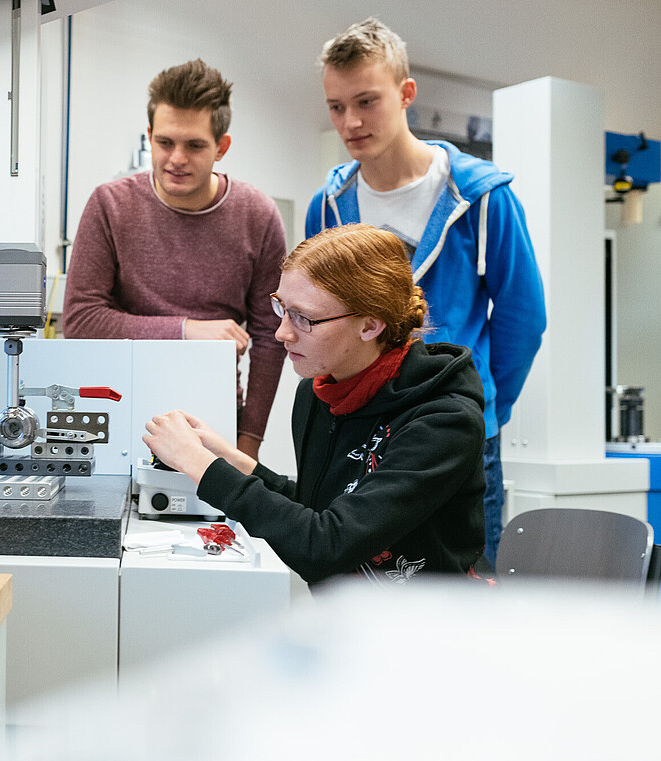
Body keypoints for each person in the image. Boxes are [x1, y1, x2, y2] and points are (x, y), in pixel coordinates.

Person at [306, 18, 546, 567]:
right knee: (356, 583)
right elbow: (318, 317)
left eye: (366, 101)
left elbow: (522, 320)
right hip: (359, 425)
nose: (351, 120)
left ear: (406, 93)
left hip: (453, 432)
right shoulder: (329, 203)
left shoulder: (482, 197)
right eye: (336, 106)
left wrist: (480, 407)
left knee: (456, 588)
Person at [143, 224, 486, 592]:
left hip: (430, 632)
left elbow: (324, 546)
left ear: (370, 325)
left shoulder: (444, 420)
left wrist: (197, 463)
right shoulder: (319, 392)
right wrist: (229, 457)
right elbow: (318, 510)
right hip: (350, 624)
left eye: (303, 318)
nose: (282, 333)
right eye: (281, 308)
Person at [63, 59, 288, 459]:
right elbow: (81, 321)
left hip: (217, 421)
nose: (177, 158)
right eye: (165, 142)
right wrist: (186, 330)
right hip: (116, 411)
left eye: (195, 145)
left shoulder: (258, 215)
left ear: (222, 147)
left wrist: (249, 442)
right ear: (149, 136)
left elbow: (272, 337)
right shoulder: (109, 205)